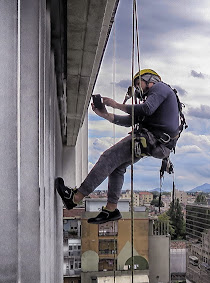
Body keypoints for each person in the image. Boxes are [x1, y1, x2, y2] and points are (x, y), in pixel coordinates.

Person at [56, 69, 183, 223]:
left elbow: (146, 109)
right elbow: (131, 120)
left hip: (152, 140)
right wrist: (106, 115)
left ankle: (75, 197)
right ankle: (111, 209)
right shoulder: (155, 102)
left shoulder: (160, 88)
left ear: (150, 79)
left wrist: (116, 105)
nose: (137, 88)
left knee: (108, 157)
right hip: (156, 144)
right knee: (117, 167)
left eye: (138, 83)